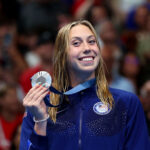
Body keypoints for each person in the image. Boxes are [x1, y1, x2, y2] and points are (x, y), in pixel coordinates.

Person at [20, 20, 150, 150]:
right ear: (62, 54)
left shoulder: (126, 103)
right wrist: (41, 122)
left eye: (92, 41)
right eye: (76, 43)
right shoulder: (39, 109)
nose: (87, 48)